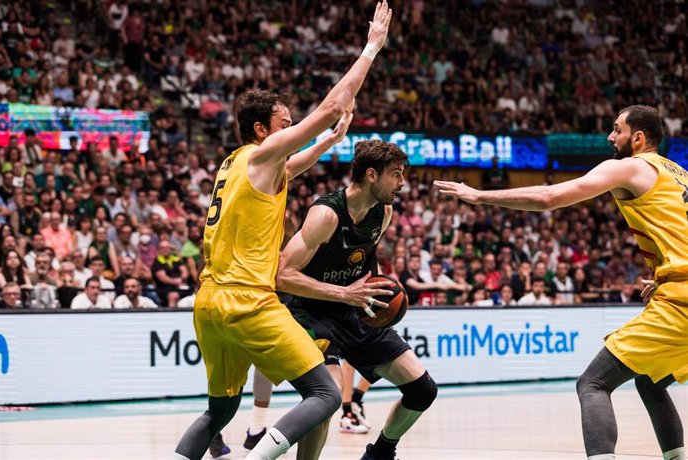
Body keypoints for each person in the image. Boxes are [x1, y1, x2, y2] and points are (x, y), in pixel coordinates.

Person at [173, 4, 392, 459]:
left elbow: (293, 164)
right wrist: (371, 48)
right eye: (284, 125)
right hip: (248, 300)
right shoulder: (263, 152)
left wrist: (330, 142)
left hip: (208, 302)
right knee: (327, 395)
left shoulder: (235, 162)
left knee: (219, 411)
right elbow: (332, 105)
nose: (291, 131)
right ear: (262, 130)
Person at [435, 105, 687, 460]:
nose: (610, 137)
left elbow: (549, 198)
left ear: (638, 137)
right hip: (676, 287)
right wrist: (665, 273)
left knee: (593, 383)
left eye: (616, 130)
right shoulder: (679, 173)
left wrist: (479, 196)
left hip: (681, 301)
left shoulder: (629, 166)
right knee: (650, 379)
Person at [277, 140, 437, 460]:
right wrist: (343, 293)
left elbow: (360, 265)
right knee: (327, 399)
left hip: (356, 311)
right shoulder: (326, 214)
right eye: (396, 174)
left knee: (422, 390)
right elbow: (283, 274)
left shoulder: (384, 212)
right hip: (312, 313)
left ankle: (379, 454)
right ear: (371, 175)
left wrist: (372, 293)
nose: (402, 184)